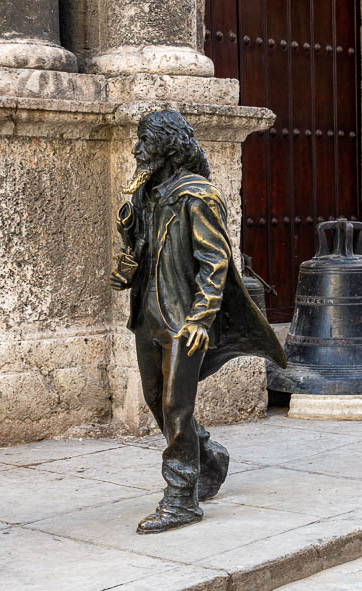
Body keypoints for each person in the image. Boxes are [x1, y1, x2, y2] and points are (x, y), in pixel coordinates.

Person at [110, 109, 286, 534]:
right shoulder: (148, 196)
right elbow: (142, 253)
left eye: (145, 141)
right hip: (147, 316)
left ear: (167, 147)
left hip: (183, 321)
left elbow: (216, 261)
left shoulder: (197, 196)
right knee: (157, 401)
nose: (136, 149)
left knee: (176, 405)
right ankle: (208, 456)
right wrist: (127, 254)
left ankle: (181, 497)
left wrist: (200, 318)